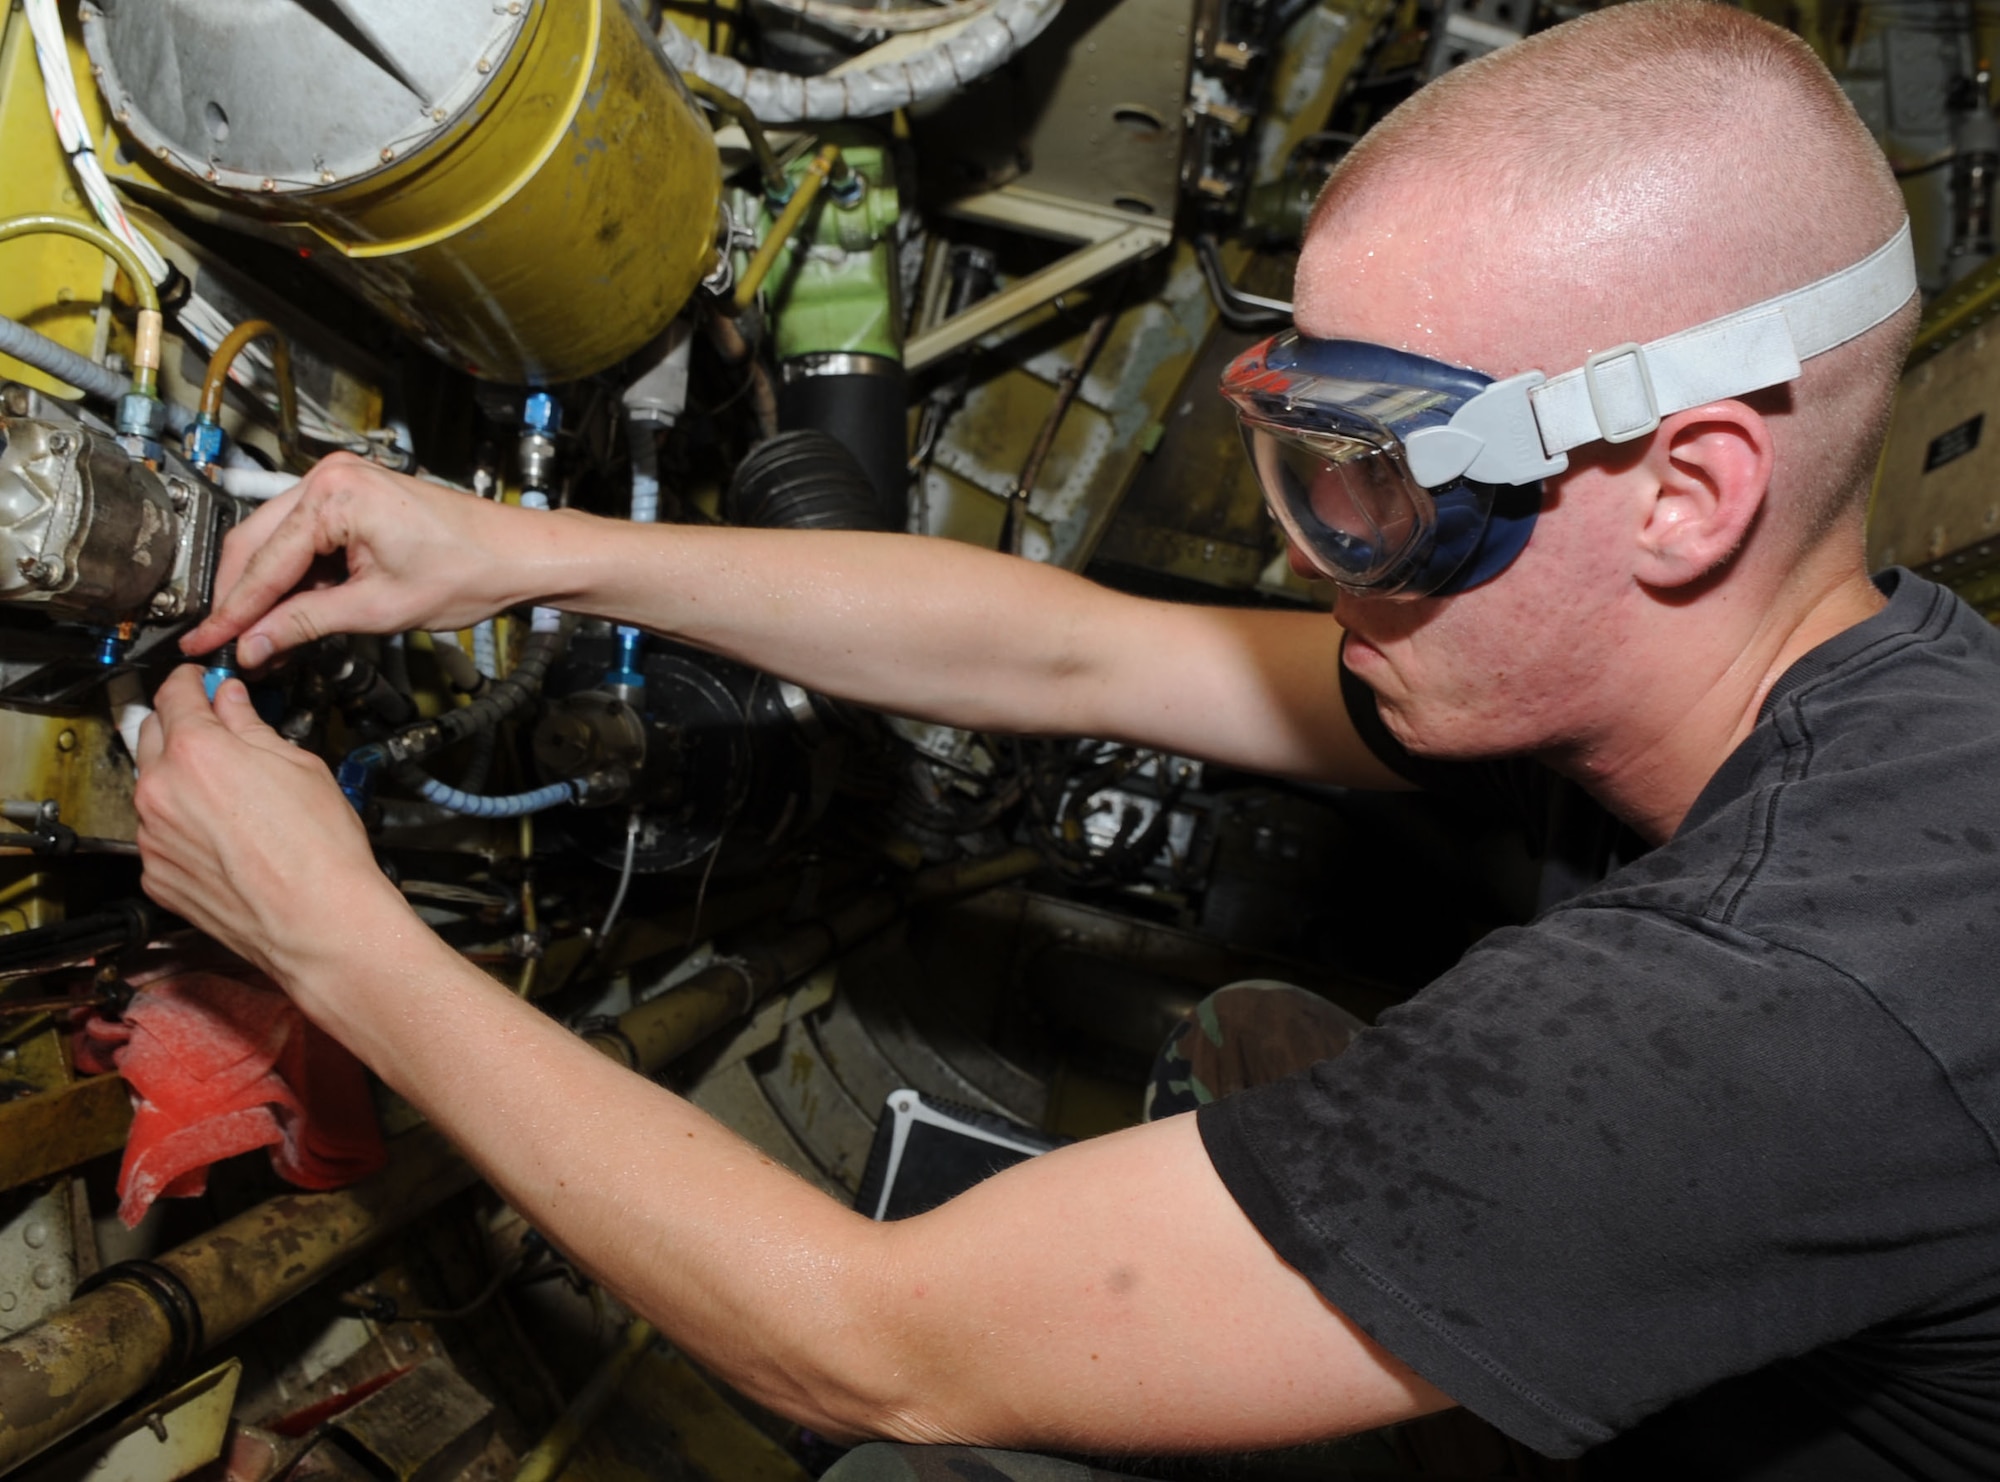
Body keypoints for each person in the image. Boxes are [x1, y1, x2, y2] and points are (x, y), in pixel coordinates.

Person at [129, 3, 2000, 1477]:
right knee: (1264, 1052)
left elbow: (873, 1341)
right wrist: (527, 549)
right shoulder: (1719, 672)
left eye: (1371, 479)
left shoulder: (1773, 1004)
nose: (1305, 539)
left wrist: (329, 937)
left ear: (1688, 492)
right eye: (1299, 441)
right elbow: (1080, 656)